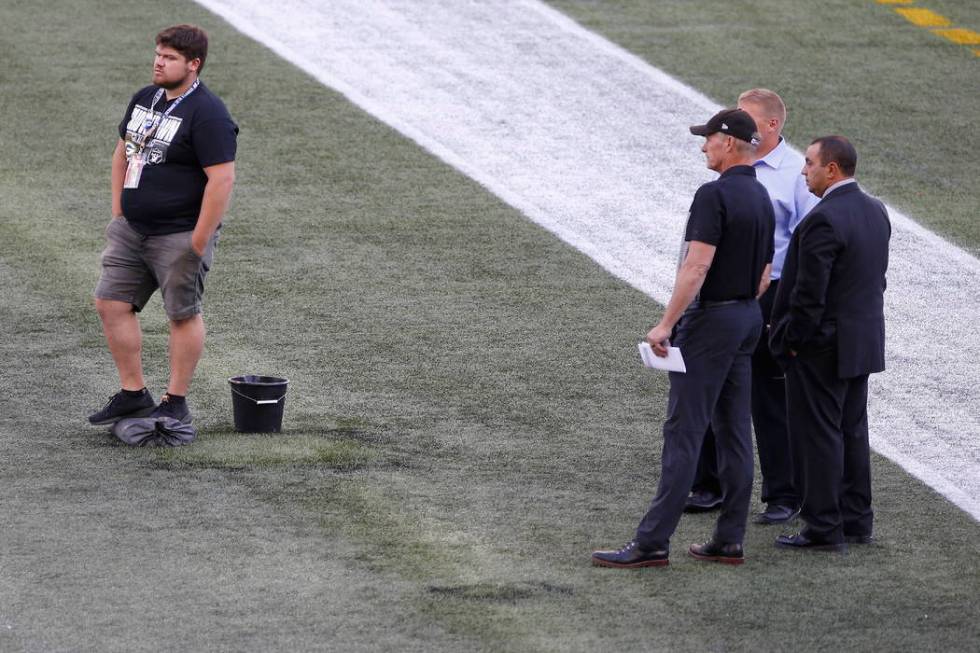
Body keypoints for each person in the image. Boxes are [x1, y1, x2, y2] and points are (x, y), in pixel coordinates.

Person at [592, 109, 774, 568]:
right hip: (747, 318)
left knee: (684, 432)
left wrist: (665, 324)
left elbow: (696, 267)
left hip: (712, 323)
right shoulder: (763, 198)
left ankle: (652, 542)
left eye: (709, 139)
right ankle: (729, 538)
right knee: (735, 432)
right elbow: (764, 279)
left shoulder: (713, 196)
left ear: (729, 143)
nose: (703, 146)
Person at [88, 24, 238, 426]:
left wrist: (199, 239)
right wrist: (120, 211)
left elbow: (221, 179)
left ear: (194, 65)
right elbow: (123, 153)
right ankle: (134, 394)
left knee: (182, 315)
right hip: (132, 229)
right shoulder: (145, 98)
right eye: (158, 53)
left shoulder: (208, 114)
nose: (159, 61)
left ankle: (176, 400)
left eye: (169, 57)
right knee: (111, 304)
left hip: (179, 233)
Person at [685, 90, 819, 525]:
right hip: (727, 291)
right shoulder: (730, 170)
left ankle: (783, 493)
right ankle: (710, 484)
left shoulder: (797, 175)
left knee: (769, 395)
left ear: (773, 126)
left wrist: (790, 305)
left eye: (747, 117)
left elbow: (808, 242)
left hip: (775, 293)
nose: (736, 123)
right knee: (710, 385)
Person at [770, 136, 890, 551]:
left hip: (823, 347)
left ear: (832, 170)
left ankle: (823, 526)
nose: (804, 171)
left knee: (819, 435)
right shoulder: (876, 210)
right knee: (852, 431)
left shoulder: (823, 219)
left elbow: (809, 295)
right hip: (862, 342)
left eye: (809, 164)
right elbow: (876, 280)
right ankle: (857, 522)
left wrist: (790, 342)